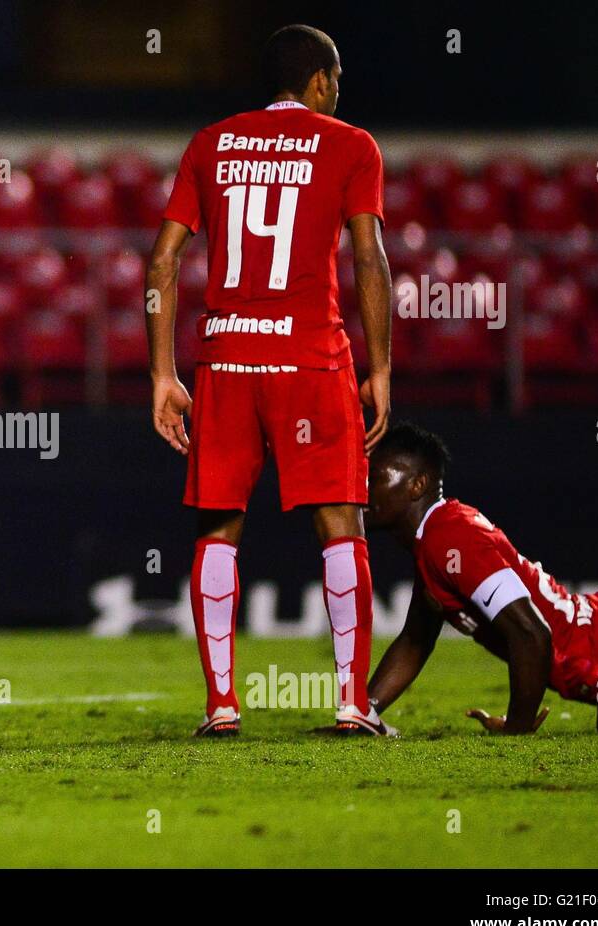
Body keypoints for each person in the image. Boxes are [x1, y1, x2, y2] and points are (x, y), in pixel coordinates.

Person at [145, 25, 393, 735]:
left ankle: (221, 704)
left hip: (226, 359)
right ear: (318, 80)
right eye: (337, 79)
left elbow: (162, 263)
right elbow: (370, 260)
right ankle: (352, 702)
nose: (338, 92)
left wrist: (164, 374)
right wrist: (379, 368)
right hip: (312, 359)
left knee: (218, 525)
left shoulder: (211, 142)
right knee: (340, 520)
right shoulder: (351, 146)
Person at [366, 423, 598, 734]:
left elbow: (532, 634)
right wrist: (363, 713)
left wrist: (516, 727)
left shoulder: (449, 538)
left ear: (417, 485)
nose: (364, 487)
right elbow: (414, 641)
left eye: (376, 477)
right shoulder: (436, 540)